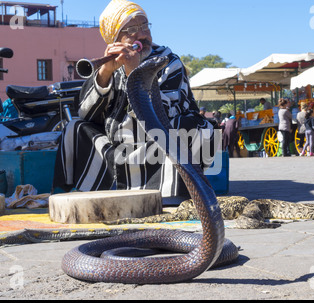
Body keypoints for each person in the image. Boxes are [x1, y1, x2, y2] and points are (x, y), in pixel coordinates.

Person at [52, 0, 217, 198]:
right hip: (117, 148)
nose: (142, 35)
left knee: (196, 128)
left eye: (145, 26)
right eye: (131, 30)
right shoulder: (111, 63)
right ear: (115, 38)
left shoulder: (168, 61)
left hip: (158, 142)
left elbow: (166, 112)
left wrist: (134, 72)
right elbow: (86, 114)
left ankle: (170, 194)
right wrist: (104, 73)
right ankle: (71, 194)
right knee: (74, 127)